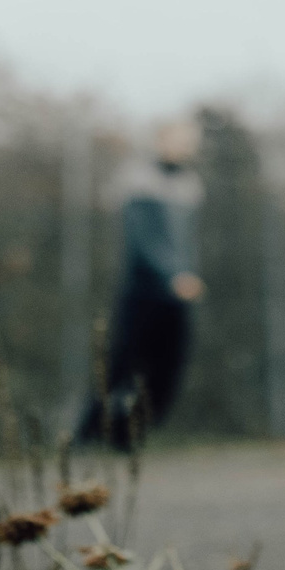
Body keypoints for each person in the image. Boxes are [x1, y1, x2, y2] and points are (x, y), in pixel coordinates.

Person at [78, 118, 204, 449]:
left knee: (167, 368)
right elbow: (143, 240)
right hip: (142, 290)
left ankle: (131, 435)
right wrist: (172, 275)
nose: (187, 146)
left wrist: (187, 274)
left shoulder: (189, 184)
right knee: (122, 363)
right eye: (181, 139)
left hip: (178, 293)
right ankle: (88, 434)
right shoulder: (139, 180)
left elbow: (186, 241)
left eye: (190, 141)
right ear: (161, 140)